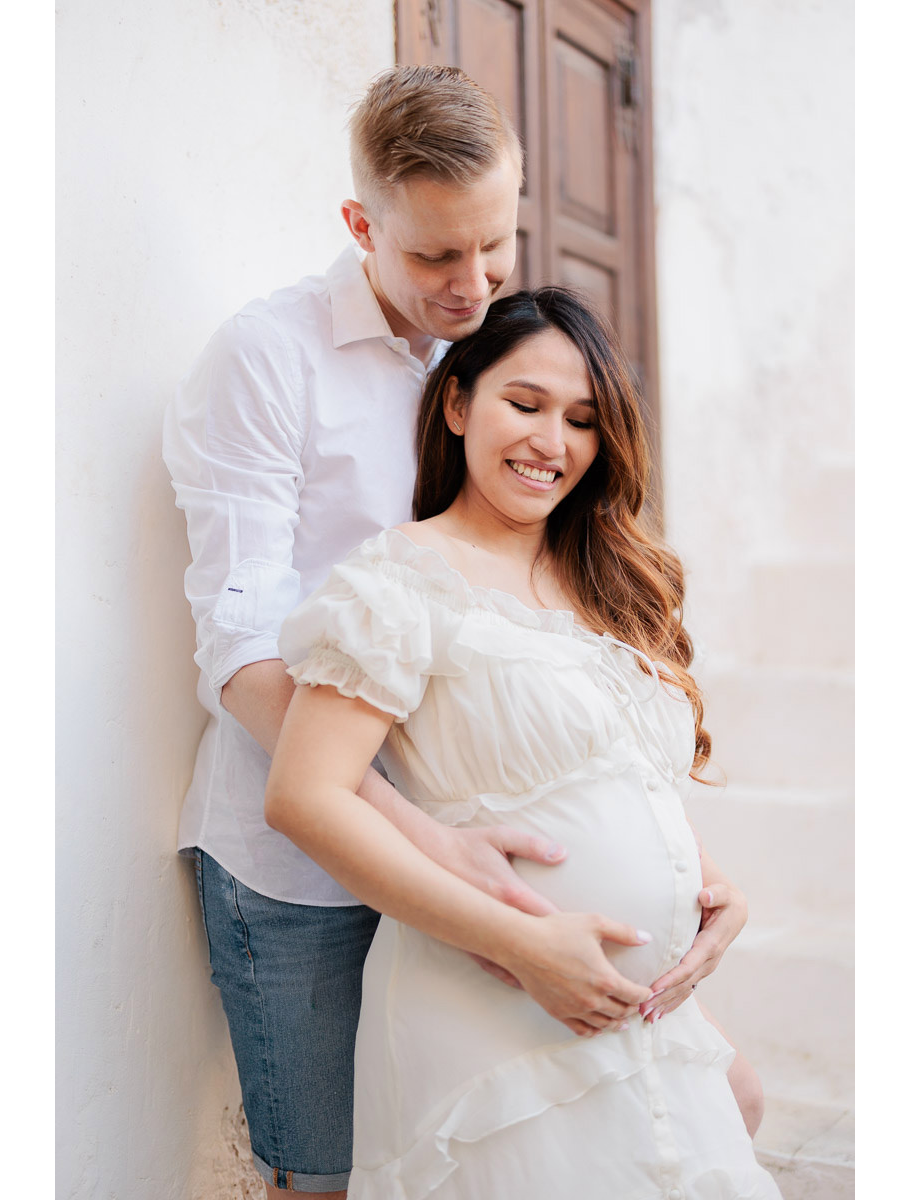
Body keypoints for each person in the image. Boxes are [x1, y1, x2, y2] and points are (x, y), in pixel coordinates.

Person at [164, 66, 755, 1198]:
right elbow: (236, 644)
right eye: (437, 255)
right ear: (361, 224)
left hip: (484, 862)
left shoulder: (491, 357)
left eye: (496, 247)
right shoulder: (269, 357)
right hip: (299, 860)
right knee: (330, 1176)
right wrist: (430, 839)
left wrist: (670, 853)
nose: (471, 282)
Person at [266, 286, 780, 1199]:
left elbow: (629, 779)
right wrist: (525, 948)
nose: (554, 442)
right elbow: (306, 798)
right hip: (491, 1012)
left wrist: (712, 888)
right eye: (526, 404)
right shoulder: (399, 580)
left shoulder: (608, 589)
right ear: (458, 404)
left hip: (641, 1022)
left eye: (584, 420)